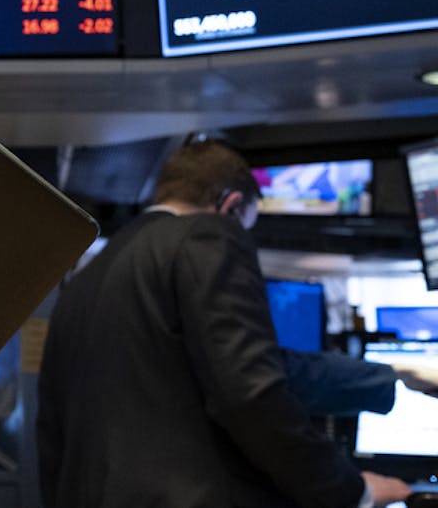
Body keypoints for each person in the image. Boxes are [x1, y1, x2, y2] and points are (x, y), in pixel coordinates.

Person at [36, 139, 415, 508]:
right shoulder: (205, 236)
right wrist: (350, 490)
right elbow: (253, 395)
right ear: (231, 205)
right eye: (245, 225)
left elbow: (51, 433)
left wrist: (391, 374)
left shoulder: (86, 278)